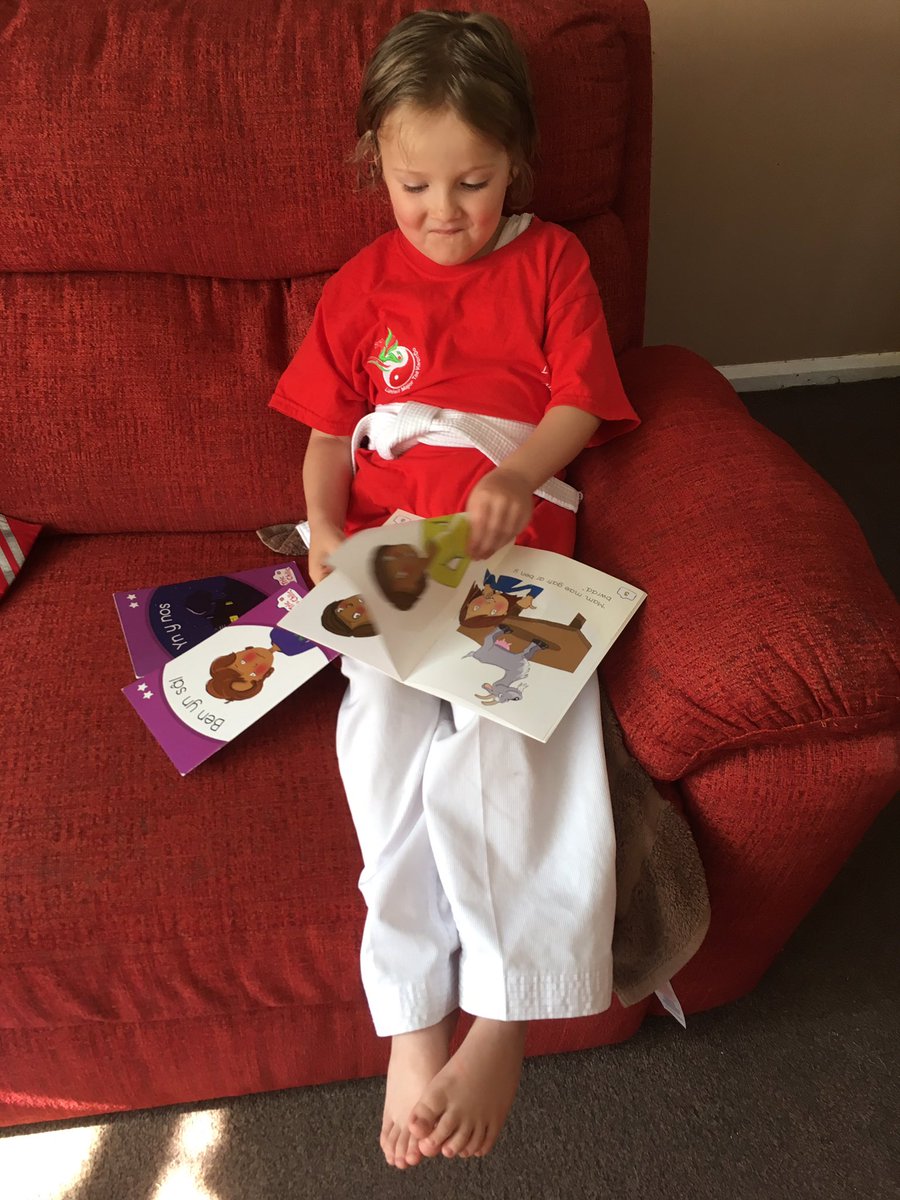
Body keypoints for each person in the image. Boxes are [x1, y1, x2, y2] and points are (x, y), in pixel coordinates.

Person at [268, 9, 640, 1170]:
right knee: (377, 731)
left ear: (516, 164)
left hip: (515, 547)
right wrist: (326, 526)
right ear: (374, 162)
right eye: (414, 182)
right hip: (394, 559)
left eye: (471, 183)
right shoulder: (358, 286)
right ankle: (411, 1014)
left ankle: (506, 1011)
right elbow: (326, 437)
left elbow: (580, 400)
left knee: (511, 730)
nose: (441, 212)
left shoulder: (552, 260)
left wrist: (520, 471)